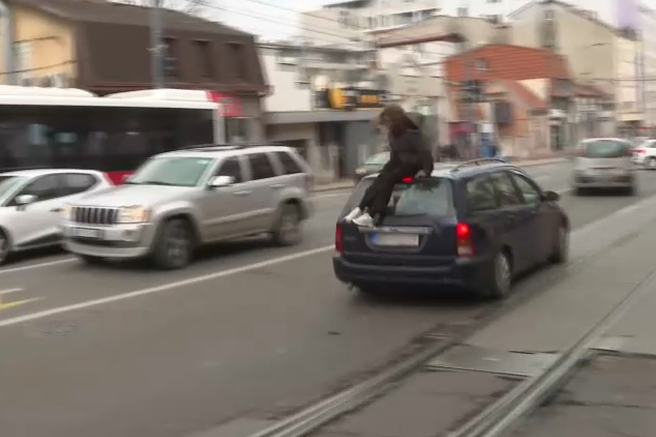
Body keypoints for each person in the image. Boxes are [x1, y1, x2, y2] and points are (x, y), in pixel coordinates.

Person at [345, 104, 434, 227]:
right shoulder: (392, 135)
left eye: (388, 122)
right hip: (400, 163)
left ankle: (371, 215)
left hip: (414, 166)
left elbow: (425, 155)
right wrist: (385, 169)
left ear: (395, 120)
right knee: (380, 178)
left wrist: (425, 171)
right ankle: (360, 208)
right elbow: (394, 157)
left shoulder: (413, 134)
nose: (387, 126)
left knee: (389, 179)